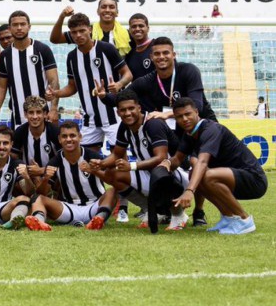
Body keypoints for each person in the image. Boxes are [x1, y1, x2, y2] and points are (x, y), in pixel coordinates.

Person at [97, 36, 215, 226]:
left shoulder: (188, 71)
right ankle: (160, 210)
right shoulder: (148, 80)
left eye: (165, 53)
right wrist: (104, 96)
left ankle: (199, 211)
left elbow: (197, 106)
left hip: (198, 125)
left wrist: (166, 114)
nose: (161, 57)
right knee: (170, 165)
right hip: (173, 129)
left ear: (174, 54)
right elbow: (123, 99)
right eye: (157, 54)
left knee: (199, 164)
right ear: (151, 57)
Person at [162, 98, 268, 235]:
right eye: (179, 116)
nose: (185, 119)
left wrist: (189, 190)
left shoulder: (211, 129)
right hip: (232, 178)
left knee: (205, 175)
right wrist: (165, 164)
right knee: (194, 174)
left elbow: (202, 162)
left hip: (254, 180)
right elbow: (177, 159)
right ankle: (229, 218)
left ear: (196, 112)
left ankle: (244, 220)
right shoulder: (189, 134)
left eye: (188, 114)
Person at [90, 90, 190, 230]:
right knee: (112, 174)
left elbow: (161, 158)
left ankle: (179, 215)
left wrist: (132, 166)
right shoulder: (124, 126)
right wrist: (101, 163)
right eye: (123, 110)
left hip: (176, 173)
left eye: (131, 108)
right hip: (150, 172)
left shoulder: (153, 124)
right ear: (118, 112)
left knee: (161, 173)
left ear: (139, 108)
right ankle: (153, 210)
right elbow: (117, 154)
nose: (127, 113)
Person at [46, 12, 133, 152]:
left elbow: (128, 74)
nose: (78, 35)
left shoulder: (106, 48)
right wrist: (57, 93)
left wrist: (119, 84)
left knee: (119, 159)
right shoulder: (72, 57)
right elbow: (72, 87)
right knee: (87, 160)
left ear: (90, 29)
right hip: (90, 119)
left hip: (113, 116)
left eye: (82, 31)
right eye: (74, 32)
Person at [25, 121, 117, 231]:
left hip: (95, 206)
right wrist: (45, 179)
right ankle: (39, 222)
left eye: (72, 135)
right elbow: (42, 193)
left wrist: (94, 171)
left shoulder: (92, 156)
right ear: (59, 139)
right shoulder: (55, 161)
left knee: (112, 191)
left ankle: (99, 219)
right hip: (69, 208)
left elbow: (112, 180)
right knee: (38, 198)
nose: (68, 139)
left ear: (80, 137)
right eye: (64, 136)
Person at [0, 10, 59, 128]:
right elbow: (2, 87)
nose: (19, 28)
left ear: (29, 27)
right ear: (10, 28)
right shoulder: (5, 55)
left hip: (44, 114)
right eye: (15, 25)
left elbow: (54, 81)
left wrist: (53, 109)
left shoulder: (42, 49)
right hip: (19, 117)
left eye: (22, 24)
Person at [50, 0, 132, 57]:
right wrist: (62, 17)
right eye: (103, 7)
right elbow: (55, 39)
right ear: (98, 11)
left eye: (111, 7)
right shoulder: (86, 32)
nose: (107, 10)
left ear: (117, 12)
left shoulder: (127, 35)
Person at [11, 96, 60, 172]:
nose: (35, 117)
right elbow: (14, 156)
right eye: (31, 112)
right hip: (28, 174)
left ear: (45, 114)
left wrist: (41, 170)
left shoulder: (54, 131)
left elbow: (64, 159)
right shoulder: (20, 131)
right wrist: (24, 169)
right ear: (25, 114)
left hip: (52, 174)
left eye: (38, 112)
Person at [124, 13, 155, 78]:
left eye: (141, 26)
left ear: (148, 28)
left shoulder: (157, 47)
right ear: (129, 30)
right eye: (134, 26)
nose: (137, 29)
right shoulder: (129, 53)